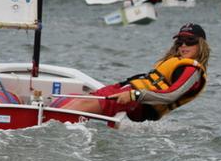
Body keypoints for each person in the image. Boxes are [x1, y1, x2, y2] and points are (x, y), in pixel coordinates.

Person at [51, 23, 210, 122]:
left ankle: (47, 124)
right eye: (180, 41)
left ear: (201, 44)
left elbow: (171, 95)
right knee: (79, 99)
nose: (183, 45)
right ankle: (47, 119)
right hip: (129, 92)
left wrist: (134, 95)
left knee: (82, 104)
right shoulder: (178, 61)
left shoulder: (192, 70)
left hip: (138, 102)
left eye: (189, 41)